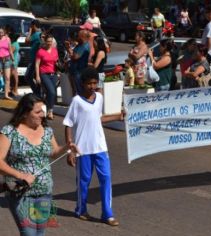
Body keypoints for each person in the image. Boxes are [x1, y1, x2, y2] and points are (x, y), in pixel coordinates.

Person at [0, 93, 80, 235]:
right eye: (38, 112)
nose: (43, 114)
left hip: (44, 192)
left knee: (40, 233)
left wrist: (67, 147)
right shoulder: (10, 131)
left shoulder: (47, 131)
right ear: (25, 113)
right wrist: (21, 175)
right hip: (21, 193)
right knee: (29, 233)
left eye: (43, 110)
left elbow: (54, 152)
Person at [63, 66, 121, 227]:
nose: (93, 86)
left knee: (106, 178)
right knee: (84, 181)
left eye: (95, 83)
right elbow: (68, 124)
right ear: (82, 83)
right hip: (83, 149)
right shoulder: (76, 101)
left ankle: (107, 214)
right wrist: (70, 150)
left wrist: (118, 116)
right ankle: (81, 209)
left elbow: (98, 119)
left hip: (100, 147)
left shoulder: (100, 98)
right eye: (89, 83)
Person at [35, 34, 59, 120]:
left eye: (51, 41)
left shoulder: (55, 50)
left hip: (53, 74)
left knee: (51, 93)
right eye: (48, 41)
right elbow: (37, 64)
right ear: (45, 41)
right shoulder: (40, 51)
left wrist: (58, 71)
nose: (49, 43)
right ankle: (50, 111)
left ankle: (47, 109)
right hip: (44, 74)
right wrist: (37, 76)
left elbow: (56, 62)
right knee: (51, 92)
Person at [66, 29, 90, 94]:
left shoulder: (84, 46)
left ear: (82, 36)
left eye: (78, 35)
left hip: (79, 71)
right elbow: (73, 55)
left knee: (79, 90)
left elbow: (75, 57)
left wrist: (70, 50)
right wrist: (68, 48)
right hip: (74, 71)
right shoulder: (80, 45)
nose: (76, 37)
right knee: (75, 89)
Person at [25, 20, 42, 97]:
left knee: (28, 76)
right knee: (36, 76)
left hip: (34, 59)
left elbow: (27, 40)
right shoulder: (40, 34)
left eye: (31, 26)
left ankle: (37, 92)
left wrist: (30, 31)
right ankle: (38, 92)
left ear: (34, 26)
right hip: (35, 58)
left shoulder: (36, 34)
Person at [0, 27, 15, 100]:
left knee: (7, 77)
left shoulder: (7, 39)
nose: (0, 33)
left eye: (1, 32)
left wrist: (13, 59)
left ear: (4, 32)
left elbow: (10, 50)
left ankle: (6, 94)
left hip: (7, 59)